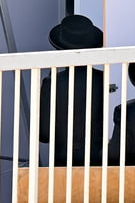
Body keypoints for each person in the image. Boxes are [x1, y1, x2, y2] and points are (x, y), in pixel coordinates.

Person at [38, 14, 107, 167]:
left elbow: (44, 134)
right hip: (99, 160)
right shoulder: (104, 80)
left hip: (62, 161)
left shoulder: (52, 83)